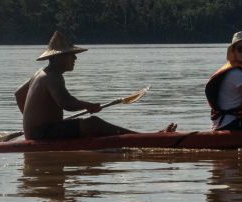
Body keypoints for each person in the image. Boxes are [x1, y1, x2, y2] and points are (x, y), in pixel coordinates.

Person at [15, 30, 176, 140]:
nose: (75, 59)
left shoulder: (39, 73)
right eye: (71, 55)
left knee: (91, 126)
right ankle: (145, 138)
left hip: (40, 131)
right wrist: (89, 106)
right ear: (58, 58)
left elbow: (18, 94)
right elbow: (66, 103)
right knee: (93, 123)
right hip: (42, 134)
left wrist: (31, 121)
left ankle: (139, 137)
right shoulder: (53, 77)